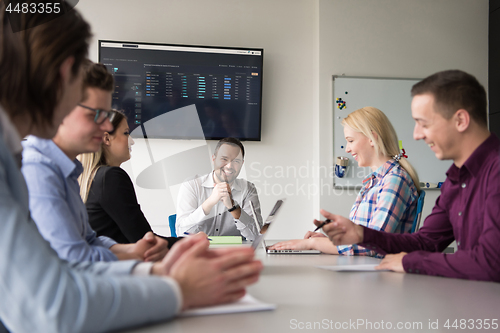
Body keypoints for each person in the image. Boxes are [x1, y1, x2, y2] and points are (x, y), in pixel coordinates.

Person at [0, 3, 262, 332]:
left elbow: (88, 244)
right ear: (66, 73)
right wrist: (176, 287)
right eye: (98, 114)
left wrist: (152, 269)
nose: (106, 128)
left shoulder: (51, 166)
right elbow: (56, 302)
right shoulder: (34, 165)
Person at [319, 70, 500, 282]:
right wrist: (362, 235)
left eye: (424, 124)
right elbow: (426, 242)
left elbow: (490, 262)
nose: (416, 135)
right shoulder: (455, 180)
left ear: (460, 120)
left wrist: (409, 262)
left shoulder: (495, 171)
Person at [21, 60, 171, 262]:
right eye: (97, 113)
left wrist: (130, 251)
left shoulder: (70, 172)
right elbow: (75, 261)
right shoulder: (38, 171)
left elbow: (89, 240)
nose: (107, 125)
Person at [269, 107, 419, 256]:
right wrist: (329, 242)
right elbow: (362, 239)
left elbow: (374, 244)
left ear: (372, 138)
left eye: (351, 141)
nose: (347, 149)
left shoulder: (394, 181)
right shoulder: (376, 181)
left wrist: (312, 243)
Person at [78, 108, 180, 247]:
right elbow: (145, 242)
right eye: (126, 133)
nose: (131, 141)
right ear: (106, 138)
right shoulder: (110, 177)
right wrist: (191, 241)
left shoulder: (89, 178)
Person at [176, 137, 262, 240]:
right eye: (224, 159)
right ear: (213, 159)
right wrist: (209, 203)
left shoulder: (248, 189)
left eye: (236, 161)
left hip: (234, 253)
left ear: (242, 164)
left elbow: (256, 236)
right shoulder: (191, 185)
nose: (229, 166)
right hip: (199, 252)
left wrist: (233, 208)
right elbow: (181, 233)